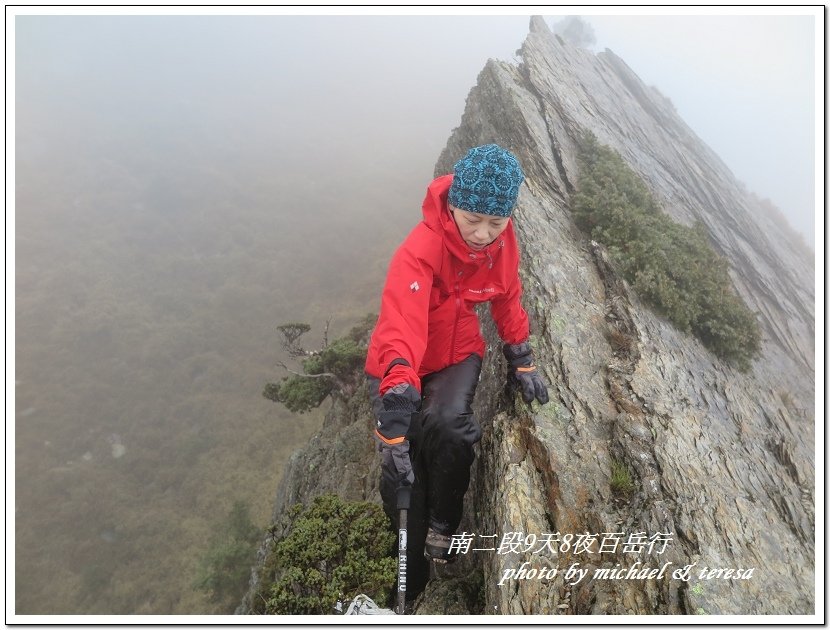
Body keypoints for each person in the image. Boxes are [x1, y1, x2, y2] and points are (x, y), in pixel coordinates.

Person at [365, 144, 549, 603]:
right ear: (453, 206)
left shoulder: (502, 245)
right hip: (399, 363)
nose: (485, 234)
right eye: (473, 220)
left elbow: (507, 297)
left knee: (450, 427)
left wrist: (521, 355)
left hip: (456, 353)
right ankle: (409, 572)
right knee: (402, 470)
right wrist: (397, 398)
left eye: (497, 222)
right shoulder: (419, 251)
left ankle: (443, 526)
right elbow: (401, 326)